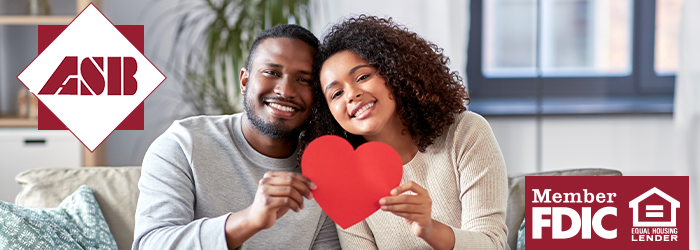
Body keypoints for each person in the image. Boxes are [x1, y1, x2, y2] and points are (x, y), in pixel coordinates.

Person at [299, 15, 509, 250]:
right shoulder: (344, 179)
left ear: (394, 72)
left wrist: (429, 229)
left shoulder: (465, 132)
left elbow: (493, 244)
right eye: (336, 94)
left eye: (363, 77)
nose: (351, 94)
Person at [133, 24, 340, 250]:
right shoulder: (183, 144)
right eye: (272, 72)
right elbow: (150, 244)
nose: (285, 91)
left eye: (304, 80)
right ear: (244, 81)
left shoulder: (324, 169)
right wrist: (250, 220)